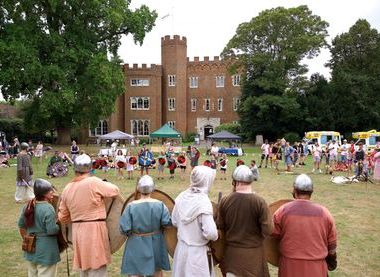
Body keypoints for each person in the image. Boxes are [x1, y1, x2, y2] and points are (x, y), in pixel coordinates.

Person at [58, 154, 120, 277]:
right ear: (90, 167)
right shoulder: (93, 182)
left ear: (75, 169)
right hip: (94, 229)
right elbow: (114, 190)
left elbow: (62, 217)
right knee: (97, 268)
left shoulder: (67, 188)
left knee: (84, 269)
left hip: (78, 231)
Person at [272, 174, 338, 277]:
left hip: (290, 267)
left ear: (295, 191)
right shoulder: (324, 213)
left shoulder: (283, 211)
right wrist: (331, 259)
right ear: (311, 192)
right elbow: (332, 244)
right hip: (316, 267)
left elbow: (273, 234)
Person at [217, 165, 272, 276]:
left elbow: (220, 226)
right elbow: (268, 230)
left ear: (235, 182)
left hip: (232, 257)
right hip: (254, 258)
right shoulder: (260, 202)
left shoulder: (225, 201)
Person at [171, 166, 218, 277]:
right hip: (198, 254)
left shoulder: (181, 196)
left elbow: (174, 221)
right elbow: (211, 233)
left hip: (182, 249)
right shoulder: (203, 203)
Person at [120, 175, 171, 276]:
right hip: (155, 241)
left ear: (139, 189)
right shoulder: (160, 205)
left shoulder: (131, 206)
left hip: (136, 242)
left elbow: (124, 229)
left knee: (136, 272)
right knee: (156, 271)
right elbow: (167, 223)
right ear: (152, 189)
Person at [18, 179, 61, 277]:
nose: (52, 192)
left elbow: (21, 225)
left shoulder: (27, 206)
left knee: (32, 274)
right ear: (44, 194)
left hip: (30, 248)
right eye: (50, 190)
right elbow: (51, 230)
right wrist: (59, 225)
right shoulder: (48, 208)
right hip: (46, 250)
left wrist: (27, 239)